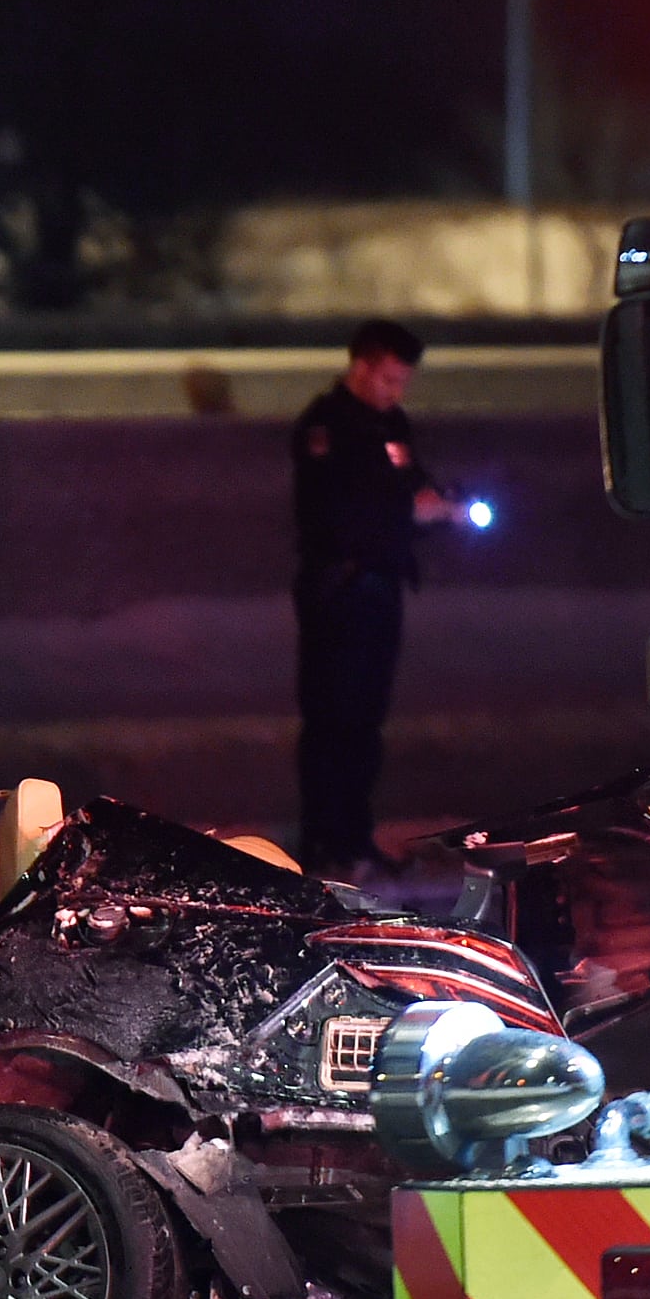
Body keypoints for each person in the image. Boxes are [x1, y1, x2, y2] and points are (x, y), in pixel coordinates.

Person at [290, 318, 469, 879]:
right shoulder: (326, 426)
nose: (396, 391)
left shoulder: (391, 424)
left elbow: (409, 483)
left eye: (403, 381)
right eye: (389, 379)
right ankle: (324, 841)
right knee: (331, 718)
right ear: (361, 366)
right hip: (339, 590)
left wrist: (442, 505)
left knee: (366, 721)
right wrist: (408, 511)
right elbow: (334, 513)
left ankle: (356, 837)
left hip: (382, 586)